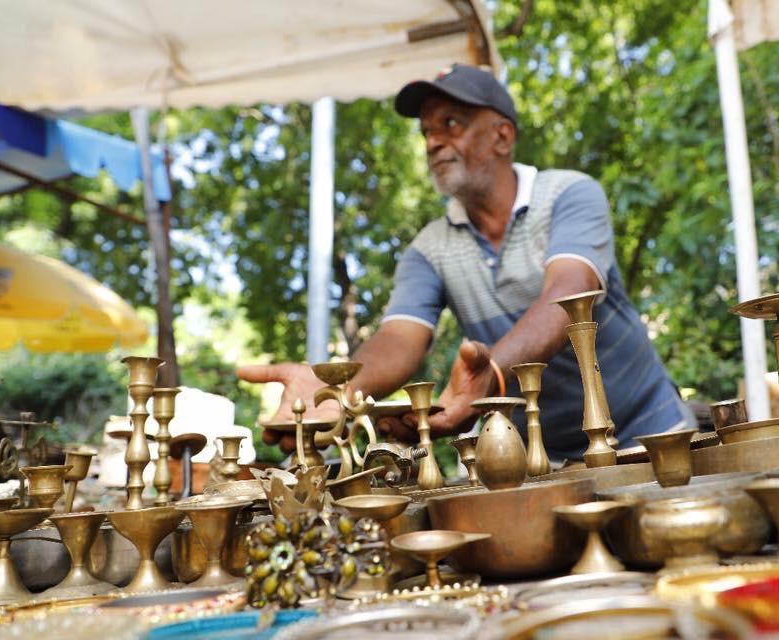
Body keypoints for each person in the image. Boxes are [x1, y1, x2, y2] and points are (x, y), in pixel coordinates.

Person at [238, 64, 691, 462]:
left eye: (451, 124)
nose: (434, 142)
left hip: (652, 435)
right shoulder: (428, 248)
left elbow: (568, 297)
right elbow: (399, 339)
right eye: (427, 132)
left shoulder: (569, 195)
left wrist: (490, 376)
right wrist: (336, 389)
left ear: (502, 136)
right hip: (544, 457)